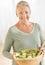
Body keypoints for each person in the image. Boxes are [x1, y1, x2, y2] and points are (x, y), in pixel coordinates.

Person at [3, 1, 45, 65]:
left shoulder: (37, 27)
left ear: (30, 13)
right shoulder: (12, 31)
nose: (24, 15)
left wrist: (43, 49)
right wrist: (14, 57)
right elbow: (4, 52)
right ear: (16, 14)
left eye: (26, 12)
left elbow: (44, 44)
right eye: (20, 13)